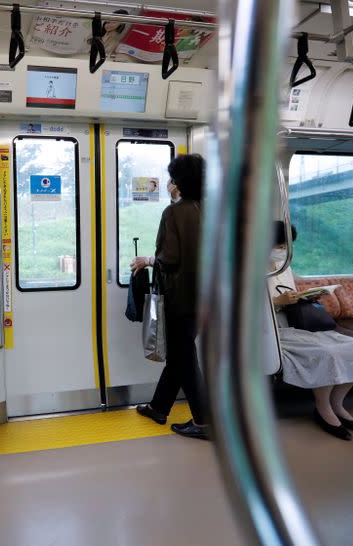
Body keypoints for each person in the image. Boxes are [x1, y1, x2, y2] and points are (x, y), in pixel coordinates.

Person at [267, 222, 353, 440]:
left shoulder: (286, 268)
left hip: (299, 326)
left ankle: (337, 404)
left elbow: (295, 293)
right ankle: (323, 408)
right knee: (327, 353)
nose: (283, 250)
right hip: (276, 331)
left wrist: (307, 296)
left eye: (286, 245)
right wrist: (278, 301)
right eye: (280, 245)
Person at [131, 154, 208, 440]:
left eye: (172, 178)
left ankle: (204, 421)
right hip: (203, 299)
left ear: (177, 182)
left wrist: (148, 260)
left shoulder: (174, 212)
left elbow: (170, 259)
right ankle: (158, 407)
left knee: (185, 359)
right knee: (179, 355)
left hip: (179, 298)